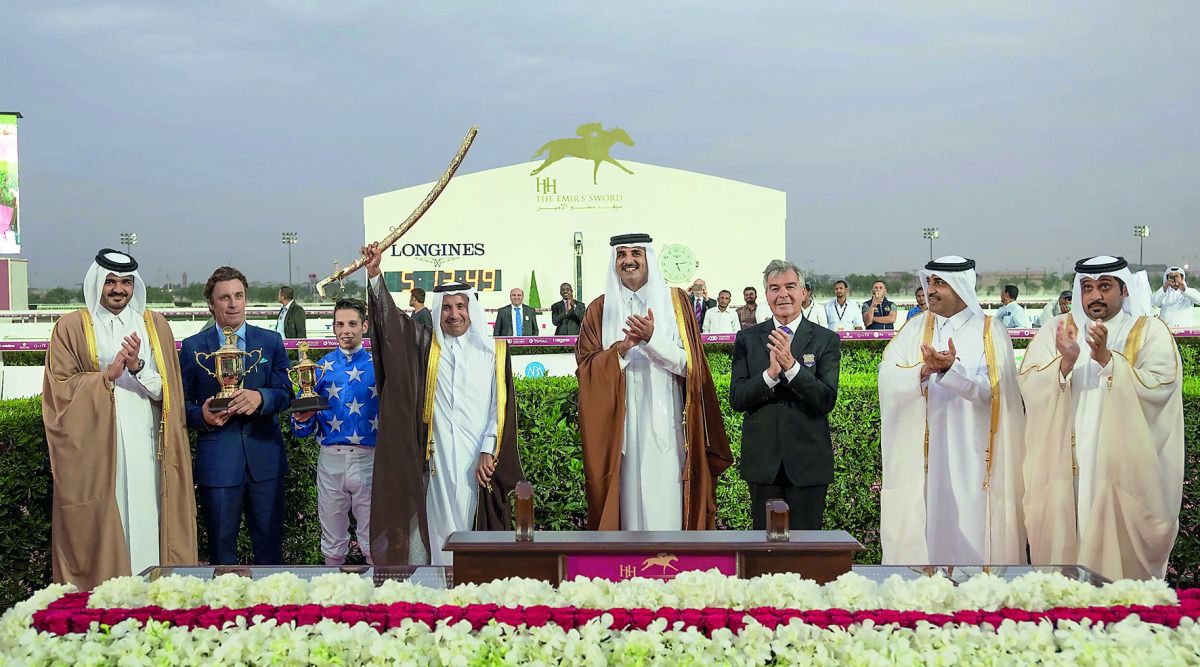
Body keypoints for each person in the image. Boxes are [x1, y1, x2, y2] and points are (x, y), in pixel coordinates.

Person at [42, 249, 197, 589]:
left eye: (126, 282)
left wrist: (138, 367)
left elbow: (168, 391)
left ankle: (153, 596)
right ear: (97, 283)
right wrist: (106, 377)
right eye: (110, 281)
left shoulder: (154, 326)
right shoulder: (71, 327)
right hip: (98, 450)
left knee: (148, 518)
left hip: (148, 445)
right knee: (109, 520)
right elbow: (59, 391)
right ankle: (107, 596)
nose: (118, 289)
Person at [1020, 256, 1182, 580]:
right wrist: (1065, 363)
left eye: (1105, 286)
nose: (1095, 296)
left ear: (1124, 290)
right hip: (1065, 469)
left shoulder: (1148, 331)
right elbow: (1028, 382)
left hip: (1121, 471)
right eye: (1088, 287)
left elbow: (1161, 384)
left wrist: (1109, 361)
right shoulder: (1057, 330)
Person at [361, 242, 524, 566]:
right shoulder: (425, 346)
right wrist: (376, 275)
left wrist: (488, 449)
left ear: (471, 308)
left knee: (473, 528)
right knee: (437, 534)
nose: (454, 314)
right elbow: (392, 326)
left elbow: (500, 408)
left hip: (477, 460)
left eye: (460, 306)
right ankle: (438, 585)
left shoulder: (492, 352)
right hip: (436, 461)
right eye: (446, 307)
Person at [575, 234, 732, 530]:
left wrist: (651, 340)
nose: (629, 260)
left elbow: (691, 367)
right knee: (625, 518)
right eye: (622, 254)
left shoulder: (676, 302)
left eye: (636, 253)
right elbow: (586, 369)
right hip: (618, 436)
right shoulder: (599, 309)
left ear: (648, 258)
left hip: (668, 432)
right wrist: (621, 350)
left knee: (666, 514)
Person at [879, 256, 1026, 565]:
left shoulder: (991, 331)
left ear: (961, 287)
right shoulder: (914, 329)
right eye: (929, 282)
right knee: (927, 530)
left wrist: (951, 371)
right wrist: (922, 371)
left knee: (974, 533)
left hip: (976, 458)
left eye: (940, 283)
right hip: (924, 460)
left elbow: (996, 394)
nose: (930, 290)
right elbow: (888, 375)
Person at [180, 267, 293, 565]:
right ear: (211, 304)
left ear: (246, 300)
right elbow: (181, 406)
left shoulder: (271, 342)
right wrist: (203, 416)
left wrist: (261, 398)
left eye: (239, 296)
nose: (233, 304)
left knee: (270, 553)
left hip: (266, 463)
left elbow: (286, 393)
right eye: (225, 298)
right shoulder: (192, 348)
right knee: (221, 554)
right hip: (218, 465)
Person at [730, 260, 840, 530]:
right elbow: (738, 399)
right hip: (763, 465)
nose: (783, 295)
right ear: (766, 295)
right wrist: (769, 375)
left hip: (808, 465)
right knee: (765, 546)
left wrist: (792, 368)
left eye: (790, 287)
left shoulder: (826, 339)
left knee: (805, 548)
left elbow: (825, 399)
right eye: (775, 288)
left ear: (803, 292)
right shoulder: (748, 339)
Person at [291, 298, 379, 566]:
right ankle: (333, 587)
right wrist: (302, 419)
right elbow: (302, 428)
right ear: (333, 327)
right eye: (340, 324)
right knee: (332, 539)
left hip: (370, 459)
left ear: (364, 326)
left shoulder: (380, 366)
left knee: (373, 537)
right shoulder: (319, 368)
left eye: (352, 324)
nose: (346, 330)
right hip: (330, 459)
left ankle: (379, 589)